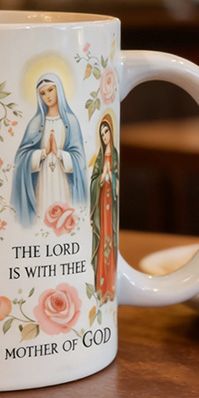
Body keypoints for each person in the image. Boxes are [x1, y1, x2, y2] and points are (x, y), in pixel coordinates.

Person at [11, 73, 88, 227]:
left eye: (50, 90)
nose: (47, 96)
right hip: (43, 176)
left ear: (58, 89)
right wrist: (43, 153)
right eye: (43, 93)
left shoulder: (71, 121)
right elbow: (21, 157)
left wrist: (58, 153)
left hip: (62, 177)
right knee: (43, 210)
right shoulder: (36, 123)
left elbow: (80, 160)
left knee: (63, 210)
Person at [90, 114, 119, 302]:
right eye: (102, 133)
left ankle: (111, 287)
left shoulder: (114, 156)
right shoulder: (100, 159)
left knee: (110, 239)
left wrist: (112, 178)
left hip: (111, 207)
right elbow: (94, 181)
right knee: (102, 243)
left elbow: (117, 178)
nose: (105, 136)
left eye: (106, 131)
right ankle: (102, 288)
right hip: (102, 206)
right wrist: (101, 178)